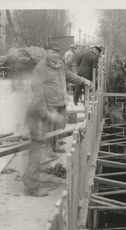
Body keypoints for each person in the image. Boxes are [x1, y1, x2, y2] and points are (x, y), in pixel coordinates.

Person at [22, 42, 92, 197]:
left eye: (57, 52)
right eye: (52, 52)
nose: (55, 55)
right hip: (38, 114)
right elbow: (37, 94)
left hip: (46, 110)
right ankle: (31, 187)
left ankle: (29, 178)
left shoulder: (60, 66)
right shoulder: (40, 69)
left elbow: (71, 77)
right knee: (36, 151)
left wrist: (83, 80)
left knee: (49, 136)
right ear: (47, 52)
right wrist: (48, 113)